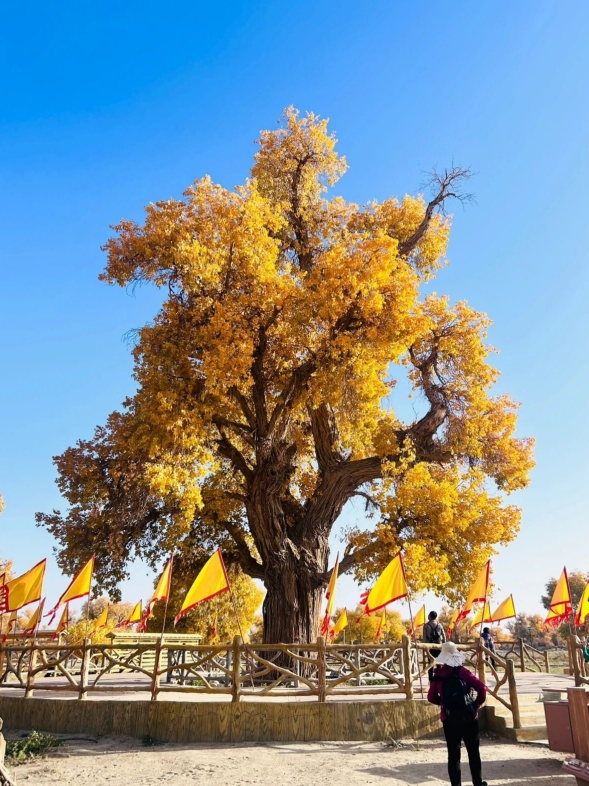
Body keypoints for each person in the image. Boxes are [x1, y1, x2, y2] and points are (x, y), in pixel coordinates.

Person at [428, 641, 488, 786]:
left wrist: (444, 703)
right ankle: (477, 783)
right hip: (469, 716)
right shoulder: (464, 672)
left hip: (449, 718)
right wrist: (476, 704)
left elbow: (431, 697)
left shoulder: (438, 674)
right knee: (473, 752)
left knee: (453, 754)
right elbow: (483, 688)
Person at [424, 610, 446, 680]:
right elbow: (444, 636)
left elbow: (424, 638)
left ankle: (431, 680)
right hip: (438, 646)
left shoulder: (426, 625)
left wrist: (424, 647)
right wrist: (443, 644)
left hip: (430, 646)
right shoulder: (439, 625)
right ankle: (439, 679)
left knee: (430, 663)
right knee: (439, 663)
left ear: (430, 616)